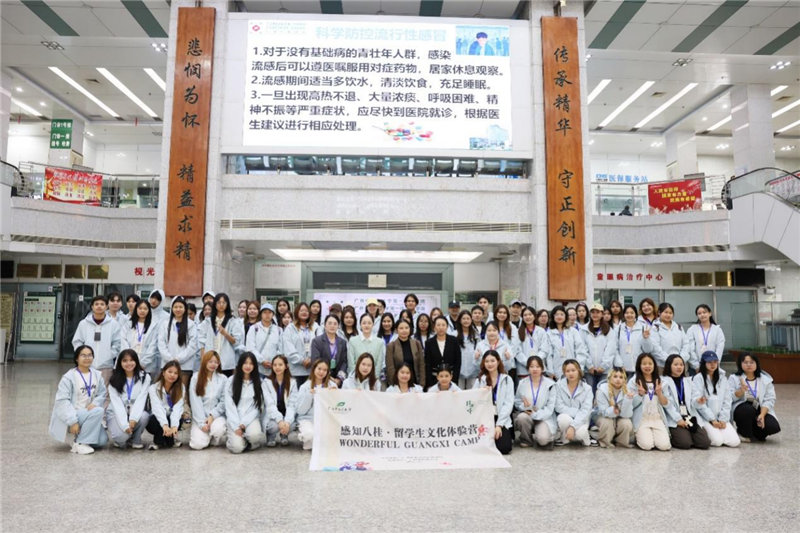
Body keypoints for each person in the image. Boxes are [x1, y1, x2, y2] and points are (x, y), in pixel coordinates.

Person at [49, 345, 108, 454]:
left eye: (90, 355)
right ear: (77, 358)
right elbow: (62, 402)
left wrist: (95, 403)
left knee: (102, 441)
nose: (87, 358)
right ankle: (80, 443)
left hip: (89, 413)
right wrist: (73, 421)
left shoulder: (97, 375)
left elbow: (102, 393)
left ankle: (78, 437)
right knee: (99, 411)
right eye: (83, 355)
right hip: (74, 414)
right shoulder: (69, 377)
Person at [71, 295, 123, 389]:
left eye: (102, 304)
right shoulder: (84, 323)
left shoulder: (113, 324)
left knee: (105, 391)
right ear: (92, 307)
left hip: (106, 365)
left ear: (106, 307)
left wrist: (110, 355)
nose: (99, 306)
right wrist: (83, 356)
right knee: (85, 391)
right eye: (96, 304)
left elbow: (117, 343)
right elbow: (77, 341)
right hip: (86, 364)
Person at [662, 354, 711, 450]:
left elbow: (695, 398)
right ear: (669, 366)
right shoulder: (664, 381)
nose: (679, 367)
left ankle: (688, 435)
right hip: (675, 417)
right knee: (685, 443)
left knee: (705, 443)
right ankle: (679, 436)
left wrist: (698, 401)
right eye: (676, 365)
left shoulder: (688, 381)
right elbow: (668, 405)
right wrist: (678, 419)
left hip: (689, 416)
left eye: (681, 365)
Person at [691, 351, 740, 447]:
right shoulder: (698, 378)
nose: (712, 364)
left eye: (715, 362)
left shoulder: (723, 378)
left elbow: (727, 400)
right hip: (705, 418)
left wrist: (723, 419)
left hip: (721, 418)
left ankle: (721, 432)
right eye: (709, 362)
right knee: (717, 442)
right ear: (704, 363)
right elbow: (700, 403)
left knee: (735, 442)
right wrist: (712, 419)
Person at [730, 353, 780, 442]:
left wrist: (762, 415)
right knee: (747, 410)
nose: (749, 365)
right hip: (742, 408)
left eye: (752, 362)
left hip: (759, 407)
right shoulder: (734, 378)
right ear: (740, 364)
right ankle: (743, 433)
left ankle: (754, 433)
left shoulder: (765, 379)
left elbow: (770, 399)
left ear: (757, 364)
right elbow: (728, 397)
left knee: (773, 426)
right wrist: (740, 391)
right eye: (745, 362)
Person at [106, 349, 151, 450]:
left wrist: (133, 419)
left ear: (136, 361)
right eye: (125, 361)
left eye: (131, 360)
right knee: (121, 437)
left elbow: (141, 399)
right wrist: (124, 425)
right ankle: (124, 437)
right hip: (116, 412)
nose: (129, 363)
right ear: (120, 363)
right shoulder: (114, 379)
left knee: (144, 416)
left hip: (134, 410)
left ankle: (135, 439)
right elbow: (116, 404)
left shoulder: (144, 377)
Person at [472, 350, 513, 454]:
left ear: (498, 362)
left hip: (500, 418)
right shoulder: (480, 380)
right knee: (479, 447)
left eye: (492, 361)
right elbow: (472, 400)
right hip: (485, 418)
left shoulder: (507, 379)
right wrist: (481, 392)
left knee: (504, 448)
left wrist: (499, 425)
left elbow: (508, 404)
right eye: (487, 361)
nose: (489, 364)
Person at [224, 352, 265, 453]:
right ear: (240, 364)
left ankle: (248, 440)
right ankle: (236, 439)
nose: (248, 366)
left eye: (251, 363)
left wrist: (244, 423)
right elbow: (229, 406)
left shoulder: (259, 382)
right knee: (237, 448)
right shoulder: (231, 381)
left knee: (254, 436)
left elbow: (257, 407)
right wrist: (236, 426)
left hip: (251, 419)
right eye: (245, 363)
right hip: (234, 418)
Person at [630, 353, 671, 451]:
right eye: (644, 364)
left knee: (664, 446)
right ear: (639, 365)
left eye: (650, 363)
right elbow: (630, 405)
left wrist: (659, 393)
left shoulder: (661, 381)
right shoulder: (634, 381)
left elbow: (667, 404)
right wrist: (639, 395)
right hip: (642, 419)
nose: (647, 366)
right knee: (647, 445)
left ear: (654, 365)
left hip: (657, 418)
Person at [514, 356, 557, 448]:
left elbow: (550, 407)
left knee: (543, 440)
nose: (534, 369)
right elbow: (517, 401)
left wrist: (535, 414)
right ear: (528, 368)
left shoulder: (550, 384)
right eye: (531, 366)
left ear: (542, 368)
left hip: (544, 417)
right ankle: (526, 439)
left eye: (537, 366)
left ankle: (543, 433)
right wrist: (524, 407)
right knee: (522, 418)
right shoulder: (522, 383)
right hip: (528, 414)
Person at [188, 351, 228, 450]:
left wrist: (212, 416)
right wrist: (202, 423)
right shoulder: (195, 378)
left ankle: (211, 436)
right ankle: (206, 436)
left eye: (216, 362)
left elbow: (223, 401)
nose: (213, 364)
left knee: (218, 429)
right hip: (200, 417)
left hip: (217, 416)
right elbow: (195, 402)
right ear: (204, 361)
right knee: (197, 445)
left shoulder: (223, 379)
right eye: (210, 361)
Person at [296, 359, 337, 450]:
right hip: (308, 419)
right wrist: (309, 395)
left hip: (325, 419)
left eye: (325, 370)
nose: (321, 372)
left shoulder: (332, 386)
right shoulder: (304, 387)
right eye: (319, 369)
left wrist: (334, 395)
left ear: (328, 372)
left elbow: (337, 407)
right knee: (309, 434)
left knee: (331, 438)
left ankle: (317, 440)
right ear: (313, 369)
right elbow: (300, 411)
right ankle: (307, 437)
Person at [157, 296, 198, 387]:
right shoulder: (165, 324)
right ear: (172, 308)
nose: (178, 309)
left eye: (180, 307)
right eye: (175, 307)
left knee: (182, 391)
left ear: (185, 308)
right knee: (167, 390)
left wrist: (178, 359)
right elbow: (161, 343)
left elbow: (193, 345)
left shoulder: (191, 325)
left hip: (185, 366)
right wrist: (170, 359)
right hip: (167, 365)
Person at [146, 361, 185, 450]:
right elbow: (157, 408)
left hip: (172, 418)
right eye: (170, 371)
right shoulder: (153, 388)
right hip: (156, 420)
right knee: (157, 419)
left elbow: (178, 408)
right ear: (163, 372)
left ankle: (167, 438)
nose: (172, 375)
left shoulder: (181, 388)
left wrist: (174, 426)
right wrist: (165, 425)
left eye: (175, 373)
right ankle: (160, 441)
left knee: (178, 418)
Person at [202, 293, 244, 376]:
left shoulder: (232, 321)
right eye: (219, 302)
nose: (221, 305)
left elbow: (236, 342)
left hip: (225, 362)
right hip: (209, 361)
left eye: (224, 302)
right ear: (215, 304)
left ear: (227, 304)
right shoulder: (208, 321)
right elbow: (202, 342)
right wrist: (203, 361)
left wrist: (225, 334)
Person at [554, 359, 592, 446]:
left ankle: (585, 438)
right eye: (567, 371)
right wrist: (577, 412)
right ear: (564, 373)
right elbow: (558, 406)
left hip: (582, 418)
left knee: (580, 434)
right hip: (567, 416)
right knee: (563, 419)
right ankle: (565, 438)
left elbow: (586, 411)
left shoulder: (587, 388)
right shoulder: (558, 386)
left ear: (578, 371)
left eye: (573, 370)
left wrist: (573, 426)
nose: (571, 373)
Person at [282, 302, 320, 387]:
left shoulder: (316, 327)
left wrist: (312, 359)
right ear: (297, 312)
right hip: (295, 371)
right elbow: (288, 347)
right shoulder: (290, 328)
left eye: (306, 311)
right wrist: (301, 361)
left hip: (312, 370)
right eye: (301, 310)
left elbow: (320, 345)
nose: (304, 312)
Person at [594, 367, 634, 449]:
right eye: (615, 376)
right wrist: (613, 410)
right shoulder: (601, 390)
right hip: (602, 416)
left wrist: (628, 400)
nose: (618, 379)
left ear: (624, 380)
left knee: (626, 423)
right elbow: (603, 412)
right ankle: (605, 442)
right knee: (607, 422)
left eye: (621, 377)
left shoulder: (627, 391)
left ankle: (621, 443)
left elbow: (627, 415)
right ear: (609, 378)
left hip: (620, 416)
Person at [263, 354, 297, 447]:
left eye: (280, 365)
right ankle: (270, 436)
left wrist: (287, 422)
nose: (277, 367)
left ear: (286, 366)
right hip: (272, 415)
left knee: (292, 424)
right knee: (273, 426)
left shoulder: (292, 382)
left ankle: (284, 434)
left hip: (286, 413)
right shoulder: (266, 382)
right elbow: (269, 404)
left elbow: (292, 404)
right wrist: (280, 421)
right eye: (275, 365)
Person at [581, 303, 615, 394]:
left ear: (602, 314)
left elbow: (610, 350)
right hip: (589, 370)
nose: (595, 314)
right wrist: (589, 366)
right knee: (589, 393)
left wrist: (603, 366)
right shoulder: (583, 329)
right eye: (593, 312)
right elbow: (582, 348)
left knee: (603, 393)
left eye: (598, 312)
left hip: (605, 370)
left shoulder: (609, 330)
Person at [547, 306, 588, 379]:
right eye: (556, 315)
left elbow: (580, 351)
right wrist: (550, 371)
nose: (559, 317)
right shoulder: (549, 333)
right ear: (553, 317)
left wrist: (579, 368)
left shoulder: (573, 331)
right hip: (556, 369)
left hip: (573, 368)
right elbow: (549, 354)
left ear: (566, 316)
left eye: (562, 314)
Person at [645, 303, 691, 368]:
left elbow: (686, 344)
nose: (668, 315)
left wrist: (681, 358)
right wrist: (670, 360)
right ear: (659, 313)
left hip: (680, 364)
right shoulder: (655, 328)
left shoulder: (678, 327)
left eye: (670, 313)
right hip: (662, 365)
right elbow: (655, 348)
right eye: (666, 312)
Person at [347, 313, 386, 387]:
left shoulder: (380, 342)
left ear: (373, 325)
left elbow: (379, 364)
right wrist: (357, 378)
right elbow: (351, 363)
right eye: (364, 323)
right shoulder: (353, 341)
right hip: (355, 381)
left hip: (372, 381)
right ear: (360, 325)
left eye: (369, 323)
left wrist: (373, 379)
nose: (366, 325)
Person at [386, 319, 425, 389]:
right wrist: (394, 384)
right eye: (401, 328)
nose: (404, 330)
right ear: (396, 330)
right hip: (398, 385)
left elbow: (421, 365)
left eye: (406, 328)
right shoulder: (391, 346)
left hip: (415, 384)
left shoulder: (416, 343)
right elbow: (390, 368)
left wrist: (422, 383)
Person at [245, 303, 282, 378]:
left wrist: (274, 362)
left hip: (275, 369)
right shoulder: (254, 328)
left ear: (273, 314)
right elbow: (250, 348)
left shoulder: (279, 330)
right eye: (264, 312)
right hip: (257, 368)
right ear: (261, 314)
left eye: (269, 312)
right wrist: (262, 361)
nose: (267, 315)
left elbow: (281, 348)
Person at [311, 314, 349, 386]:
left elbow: (344, 362)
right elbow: (315, 361)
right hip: (321, 377)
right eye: (330, 323)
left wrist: (339, 378)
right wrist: (328, 378)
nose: (332, 326)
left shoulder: (343, 342)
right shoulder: (317, 341)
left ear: (338, 326)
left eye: (335, 324)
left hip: (338, 379)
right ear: (325, 325)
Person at [514, 307, 549, 383]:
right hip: (524, 369)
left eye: (530, 314)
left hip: (539, 367)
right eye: (525, 315)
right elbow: (517, 351)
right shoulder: (518, 332)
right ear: (522, 317)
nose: (528, 317)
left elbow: (544, 349)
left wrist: (536, 362)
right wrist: (528, 363)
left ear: (534, 316)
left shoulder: (541, 331)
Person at [686, 304, 725, 373]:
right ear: (697, 316)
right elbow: (690, 349)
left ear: (710, 313)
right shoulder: (692, 329)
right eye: (699, 313)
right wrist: (696, 366)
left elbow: (720, 347)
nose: (702, 315)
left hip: (713, 365)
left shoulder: (717, 330)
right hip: (696, 367)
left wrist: (714, 363)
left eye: (704, 312)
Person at [124, 299, 159, 376]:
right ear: (136, 309)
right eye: (140, 308)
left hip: (145, 366)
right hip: (128, 364)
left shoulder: (153, 326)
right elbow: (123, 342)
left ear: (149, 311)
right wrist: (129, 361)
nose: (142, 311)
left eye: (145, 309)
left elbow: (153, 347)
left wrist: (142, 364)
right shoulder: (128, 324)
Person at [424, 316, 461, 388]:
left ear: (447, 327)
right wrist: (430, 383)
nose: (441, 328)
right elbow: (427, 364)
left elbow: (458, 362)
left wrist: (454, 380)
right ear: (434, 327)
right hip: (434, 379)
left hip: (451, 379)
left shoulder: (454, 341)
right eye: (438, 325)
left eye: (443, 325)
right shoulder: (429, 343)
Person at [612, 304, 647, 377]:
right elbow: (614, 349)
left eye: (632, 313)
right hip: (622, 369)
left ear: (636, 314)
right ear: (623, 314)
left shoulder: (643, 328)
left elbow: (648, 349)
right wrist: (620, 364)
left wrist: (646, 338)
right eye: (627, 313)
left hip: (639, 368)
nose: (629, 315)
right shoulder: (618, 329)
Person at [456, 310, 480, 390]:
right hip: (459, 370)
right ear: (460, 320)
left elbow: (479, 350)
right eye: (463, 319)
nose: (466, 321)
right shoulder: (454, 334)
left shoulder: (476, 335)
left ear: (471, 320)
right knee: (459, 393)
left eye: (468, 318)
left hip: (473, 370)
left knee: (472, 393)